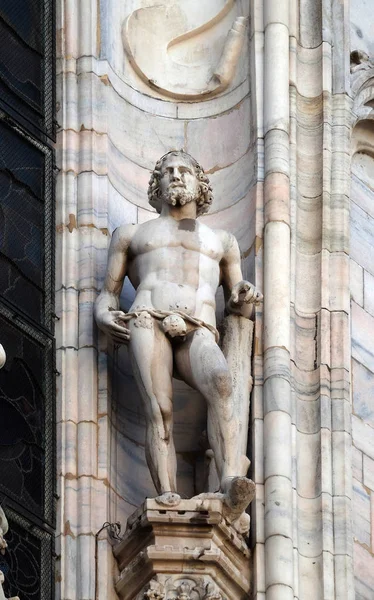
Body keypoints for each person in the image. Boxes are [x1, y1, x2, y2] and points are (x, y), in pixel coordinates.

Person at [95, 151, 261, 513]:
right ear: (156, 184)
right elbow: (107, 296)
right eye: (167, 171)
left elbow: (238, 307)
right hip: (147, 319)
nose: (176, 176)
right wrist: (104, 315)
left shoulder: (222, 241)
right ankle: (167, 492)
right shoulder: (132, 234)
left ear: (200, 183)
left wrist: (243, 295)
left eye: (184, 170)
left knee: (221, 382)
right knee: (160, 409)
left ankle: (230, 476)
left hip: (198, 326)